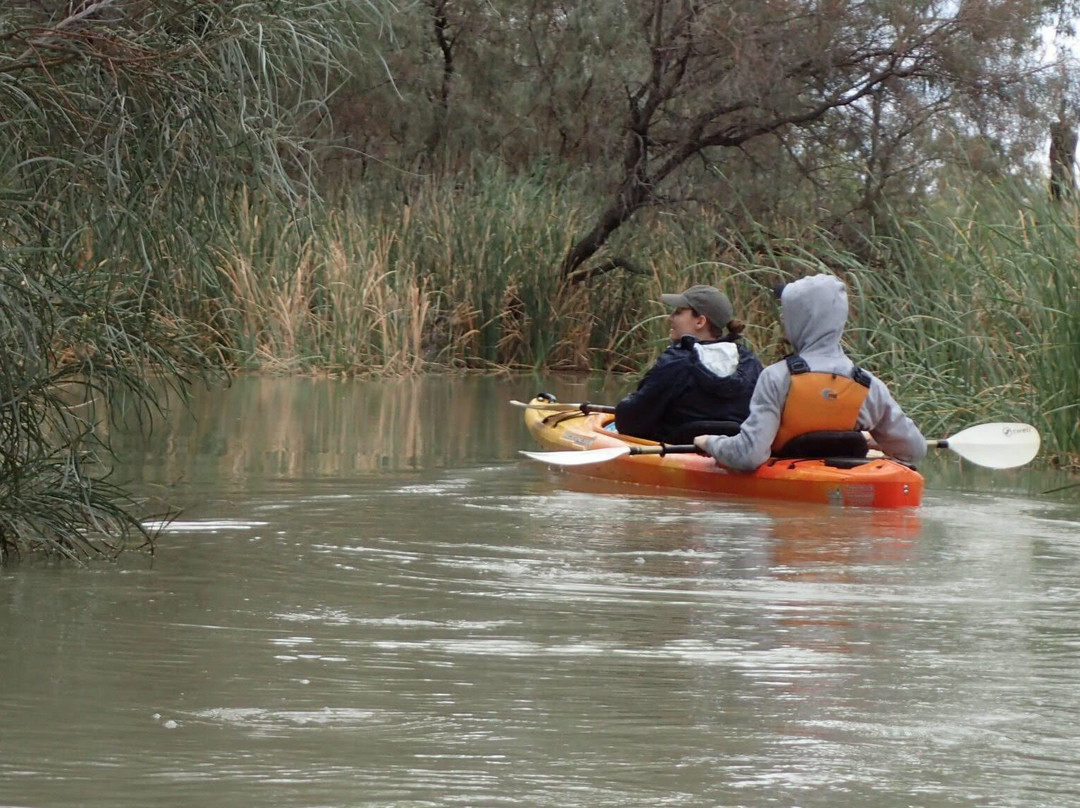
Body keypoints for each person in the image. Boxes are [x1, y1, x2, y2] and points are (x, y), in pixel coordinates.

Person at [693, 273, 927, 471]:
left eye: (788, 312)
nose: (783, 318)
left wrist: (709, 442)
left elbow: (748, 456)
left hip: (788, 493)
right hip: (845, 488)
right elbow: (914, 450)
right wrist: (875, 442)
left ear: (800, 319)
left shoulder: (777, 377)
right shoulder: (869, 384)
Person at [614, 284, 763, 444]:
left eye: (678, 312)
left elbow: (629, 422)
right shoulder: (750, 362)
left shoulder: (675, 362)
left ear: (700, 321)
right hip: (734, 453)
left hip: (673, 454)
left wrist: (626, 405)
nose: (670, 318)